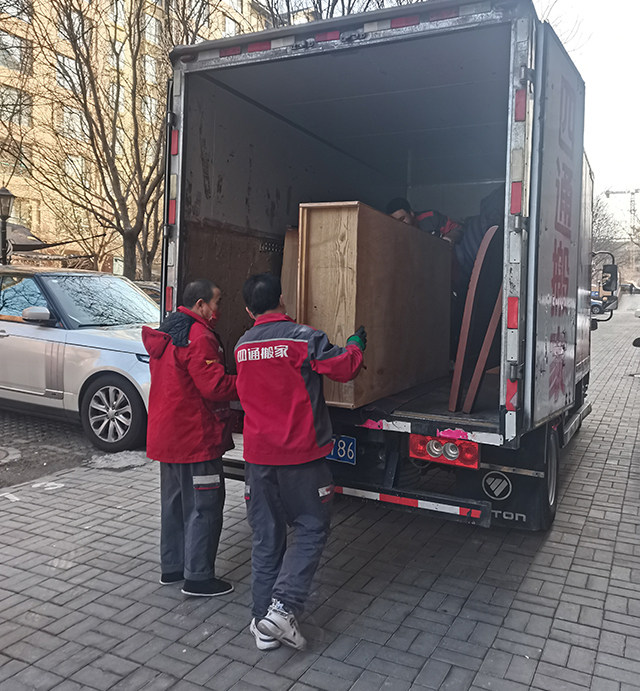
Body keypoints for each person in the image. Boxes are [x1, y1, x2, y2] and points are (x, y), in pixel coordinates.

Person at [235, 272, 366, 651]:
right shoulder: (302, 338)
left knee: (266, 536)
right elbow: (345, 367)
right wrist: (356, 344)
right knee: (311, 526)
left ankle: (263, 625)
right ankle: (283, 607)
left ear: (249, 310)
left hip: (258, 459)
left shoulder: (242, 346)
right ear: (282, 300)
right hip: (301, 457)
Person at [142, 278, 237, 597]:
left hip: (167, 436)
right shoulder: (199, 336)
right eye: (217, 302)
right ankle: (198, 577)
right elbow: (214, 386)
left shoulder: (169, 331)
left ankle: (172, 568)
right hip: (195, 438)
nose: (219, 309)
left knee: (174, 505)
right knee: (204, 506)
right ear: (201, 304)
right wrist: (249, 382)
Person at [386, 197, 464, 245]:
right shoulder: (392, 232)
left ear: (411, 213)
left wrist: (449, 239)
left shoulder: (431, 217)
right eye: (395, 221)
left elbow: (457, 229)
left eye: (402, 219)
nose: (399, 224)